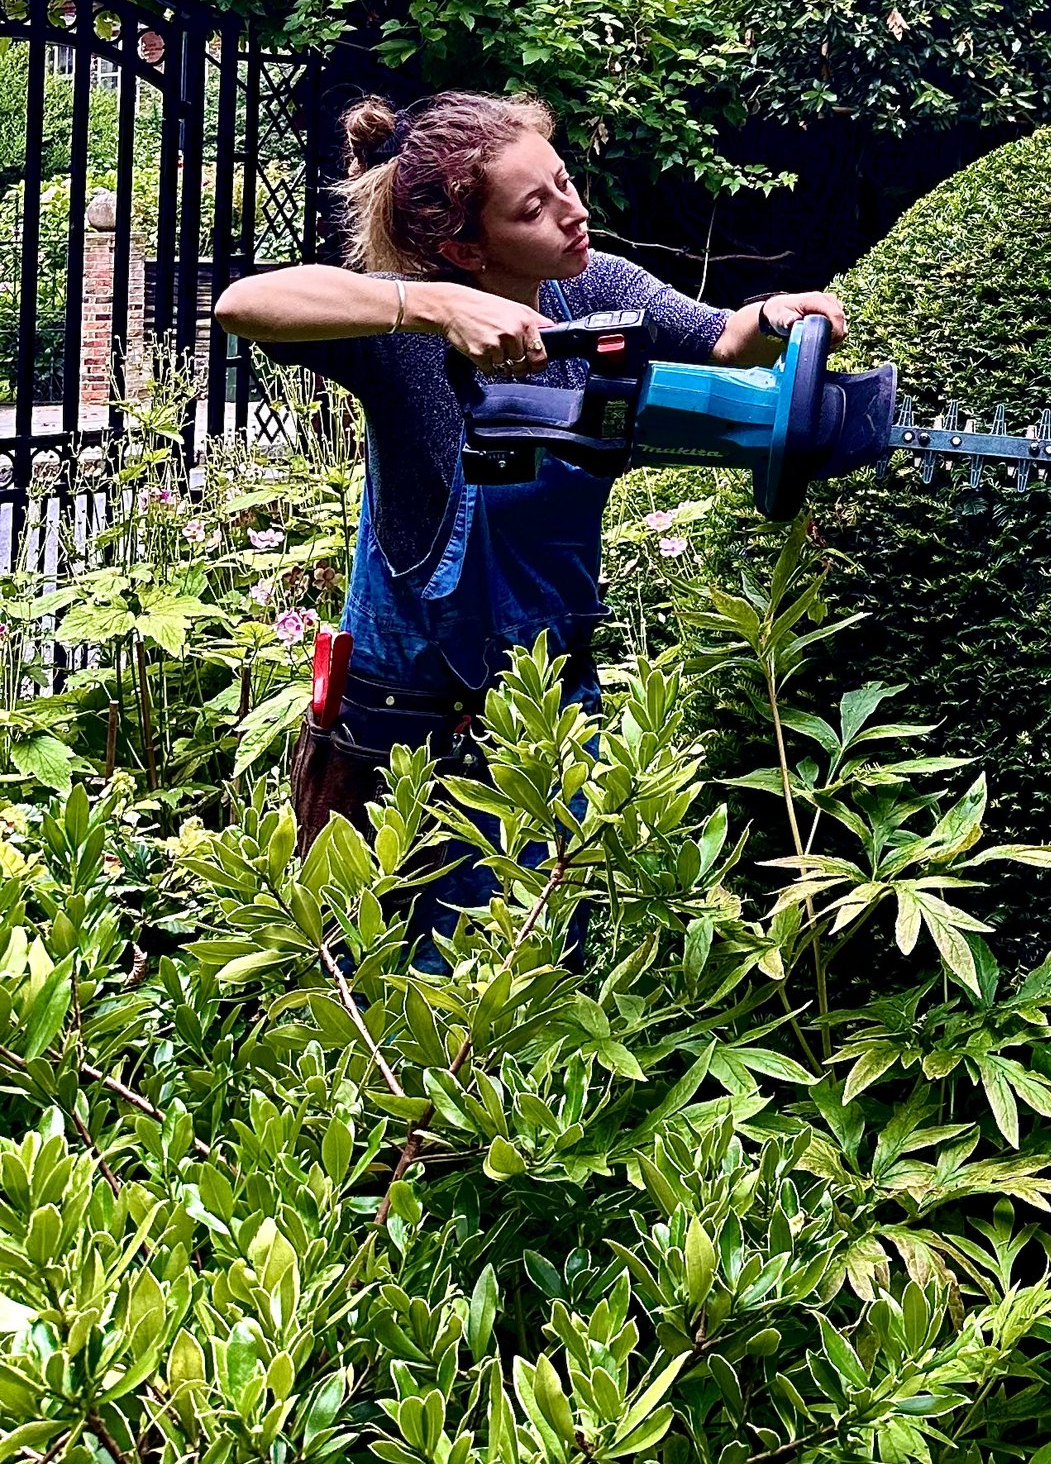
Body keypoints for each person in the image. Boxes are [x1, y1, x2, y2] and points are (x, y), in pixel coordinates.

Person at [214, 89, 846, 891]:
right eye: (534, 208)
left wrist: (769, 315)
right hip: (403, 735)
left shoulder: (595, 288)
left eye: (564, 183)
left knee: (545, 961)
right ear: (470, 249)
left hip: (550, 710)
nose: (572, 213)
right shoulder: (395, 337)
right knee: (389, 979)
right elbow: (243, 305)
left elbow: (720, 334)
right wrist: (432, 308)